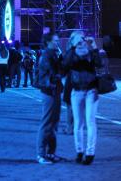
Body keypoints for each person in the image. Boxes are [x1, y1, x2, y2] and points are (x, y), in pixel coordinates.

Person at [62, 33, 103, 165]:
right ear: (73, 42)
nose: (82, 42)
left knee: (90, 122)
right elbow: (65, 65)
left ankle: (90, 153)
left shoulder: (90, 52)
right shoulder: (71, 54)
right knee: (78, 123)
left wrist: (94, 46)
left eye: (83, 39)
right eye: (78, 40)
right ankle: (79, 151)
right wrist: (73, 47)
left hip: (91, 90)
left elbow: (99, 64)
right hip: (76, 91)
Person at [36, 32, 63, 165]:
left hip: (55, 90)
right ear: (48, 42)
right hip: (49, 91)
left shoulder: (53, 54)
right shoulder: (47, 55)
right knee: (46, 123)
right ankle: (41, 154)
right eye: (55, 40)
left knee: (54, 123)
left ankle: (51, 152)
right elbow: (50, 73)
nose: (57, 42)